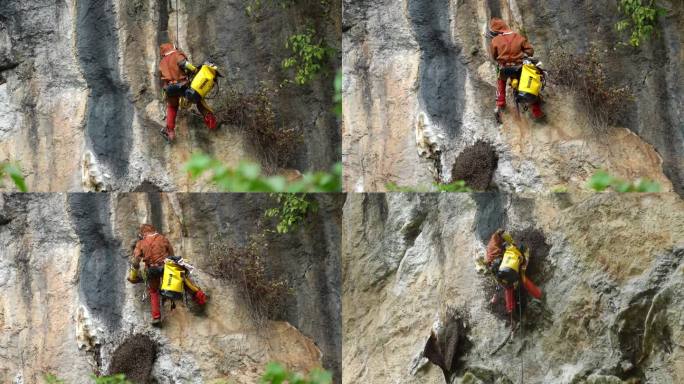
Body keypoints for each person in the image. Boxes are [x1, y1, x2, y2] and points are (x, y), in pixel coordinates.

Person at [159, 43, 217, 142]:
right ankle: (211, 121)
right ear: (172, 48)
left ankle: (170, 131)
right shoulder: (176, 55)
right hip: (182, 85)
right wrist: (195, 70)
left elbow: (163, 80)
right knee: (198, 99)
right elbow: (184, 64)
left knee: (172, 107)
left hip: (169, 88)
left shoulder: (161, 63)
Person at [488, 18, 544, 120]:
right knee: (529, 84)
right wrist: (523, 54)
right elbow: (530, 51)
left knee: (501, 81)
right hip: (519, 68)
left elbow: (494, 56)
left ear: (496, 30)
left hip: (504, 69)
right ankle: (537, 111)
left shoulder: (495, 40)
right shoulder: (518, 37)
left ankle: (500, 103)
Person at [485, 229, 542, 316]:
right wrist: (513, 244)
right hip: (501, 265)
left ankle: (510, 309)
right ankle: (538, 294)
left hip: (496, 269)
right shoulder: (497, 236)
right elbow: (510, 241)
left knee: (508, 287)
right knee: (521, 278)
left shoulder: (491, 247)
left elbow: (492, 261)